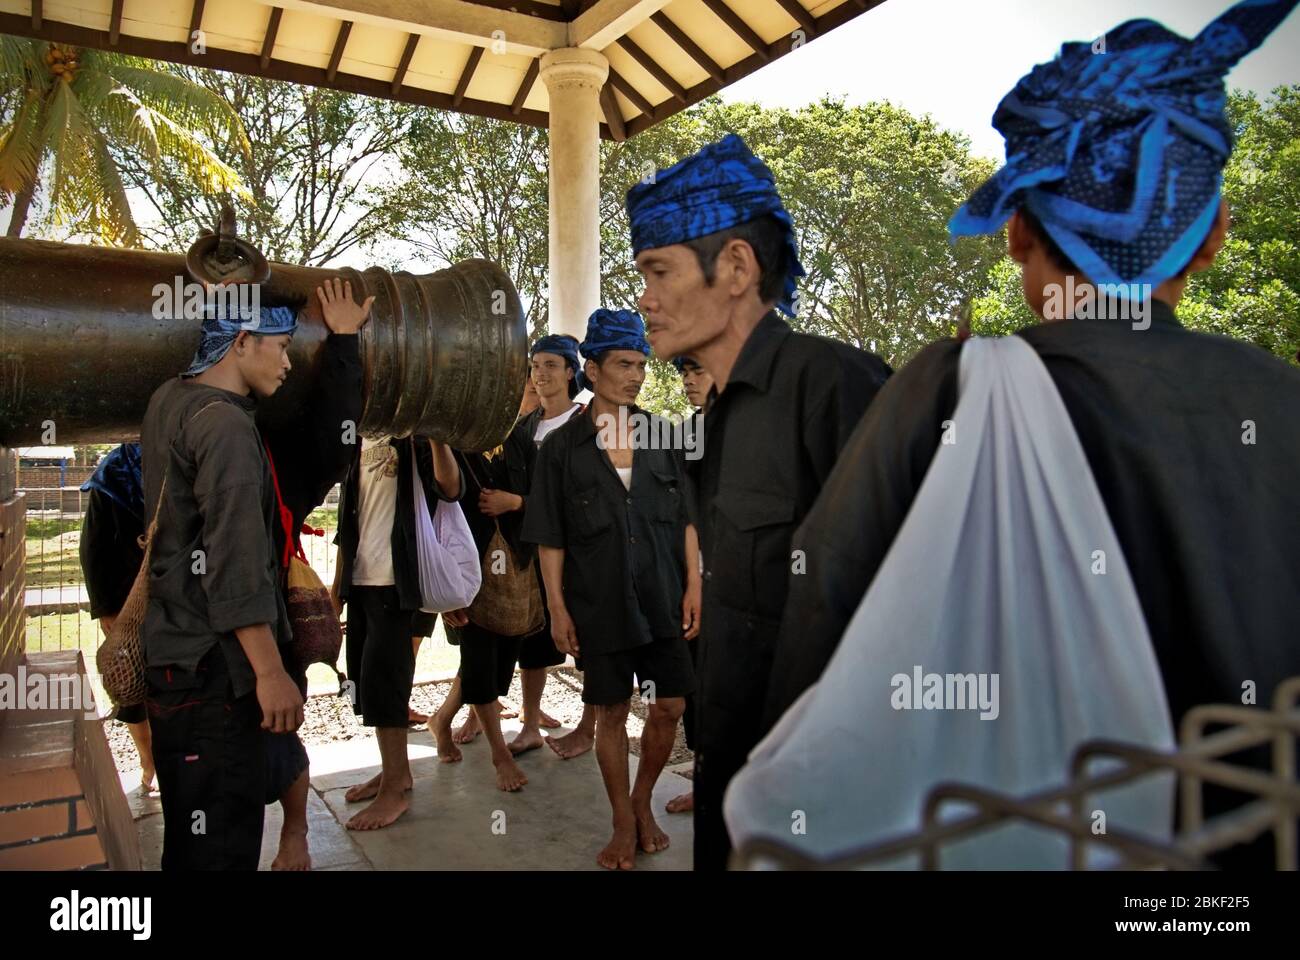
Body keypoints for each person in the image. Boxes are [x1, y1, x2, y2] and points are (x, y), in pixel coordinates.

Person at [763, 0, 1300, 870]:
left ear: (1015, 231)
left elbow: (820, 653)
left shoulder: (945, 395)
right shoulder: (1285, 404)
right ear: (1211, 238)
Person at [626, 133, 893, 870]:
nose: (643, 299)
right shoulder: (711, 422)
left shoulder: (835, 384)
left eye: (658, 271)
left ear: (736, 267)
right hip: (733, 771)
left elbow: (906, 604)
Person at [522, 308, 701, 870]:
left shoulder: (663, 438)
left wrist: (694, 583)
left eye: (642, 364)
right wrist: (556, 607)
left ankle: (641, 800)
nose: (636, 375)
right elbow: (549, 536)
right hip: (598, 602)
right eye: (624, 364)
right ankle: (623, 822)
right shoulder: (560, 449)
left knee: (669, 704)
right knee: (611, 712)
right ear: (592, 370)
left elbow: (689, 520)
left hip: (664, 596)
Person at [141, 299, 303, 871]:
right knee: (223, 848)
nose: (288, 363)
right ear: (241, 341)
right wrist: (269, 672)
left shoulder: (170, 401)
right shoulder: (228, 426)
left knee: (190, 841)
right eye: (281, 347)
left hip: (174, 661)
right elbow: (232, 564)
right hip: (217, 673)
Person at [333, 432, 462, 830]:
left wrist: (440, 441)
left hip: (395, 581)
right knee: (367, 683)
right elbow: (347, 523)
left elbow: (450, 488)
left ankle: (394, 791)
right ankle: (394, 772)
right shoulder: (357, 440)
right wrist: (337, 591)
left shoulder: (413, 436)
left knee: (386, 683)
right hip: (361, 580)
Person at [428, 381, 543, 791]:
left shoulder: (520, 441)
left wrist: (515, 503)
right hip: (467, 573)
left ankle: (441, 720)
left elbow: (546, 497)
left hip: (517, 565)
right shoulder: (453, 443)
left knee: (500, 665)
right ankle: (500, 755)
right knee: (479, 663)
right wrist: (442, 589)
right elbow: (441, 501)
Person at [80, 443, 154, 793]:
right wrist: (107, 608)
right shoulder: (114, 472)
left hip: (178, 598)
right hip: (126, 600)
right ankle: (148, 760)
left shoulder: (186, 455)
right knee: (130, 681)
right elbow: (93, 546)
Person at [664, 356, 712, 816]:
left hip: (753, 583)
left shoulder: (749, 432)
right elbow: (684, 515)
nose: (690, 381)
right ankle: (706, 785)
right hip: (697, 582)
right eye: (684, 373)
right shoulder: (682, 436)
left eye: (698, 372)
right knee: (698, 687)